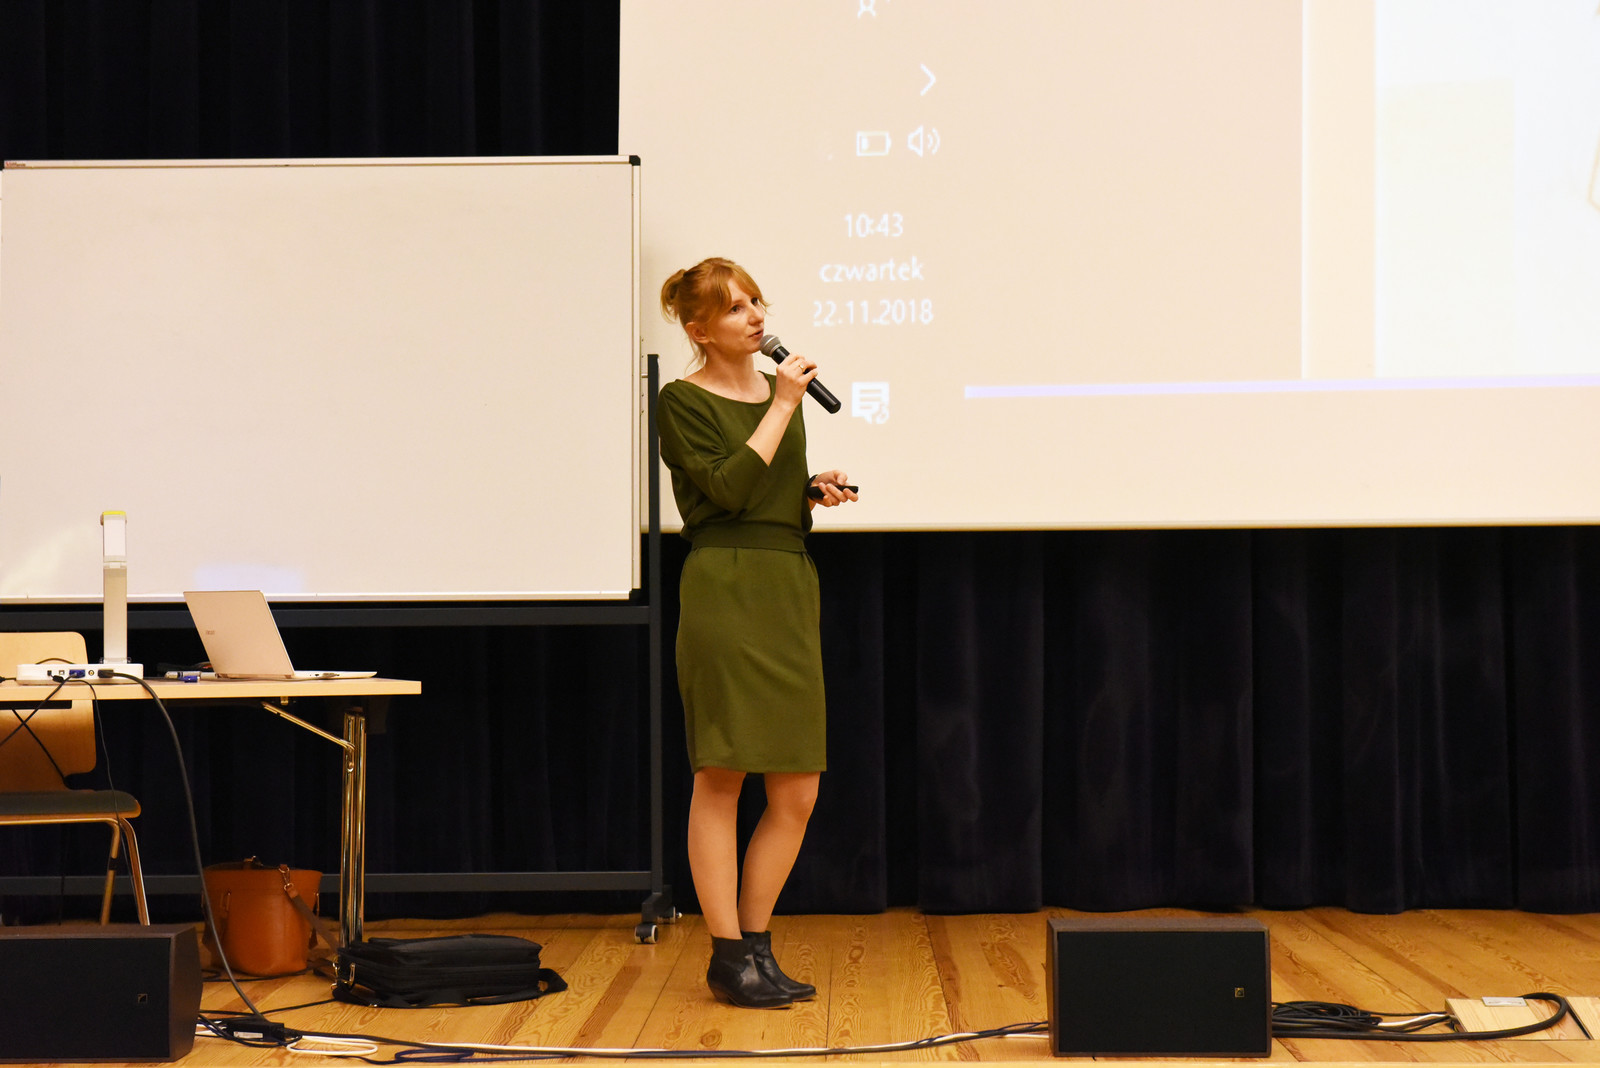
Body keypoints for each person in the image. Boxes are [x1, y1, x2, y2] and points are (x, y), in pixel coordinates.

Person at [656, 257, 858, 1009]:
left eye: (756, 302)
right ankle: (727, 956)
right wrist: (780, 406)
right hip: (726, 589)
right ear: (699, 329)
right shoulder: (682, 400)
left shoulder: (781, 399)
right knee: (722, 776)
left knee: (798, 786)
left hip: (785, 583)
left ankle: (758, 946)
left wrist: (808, 493)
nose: (756, 317)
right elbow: (727, 490)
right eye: (736, 308)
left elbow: (766, 495)